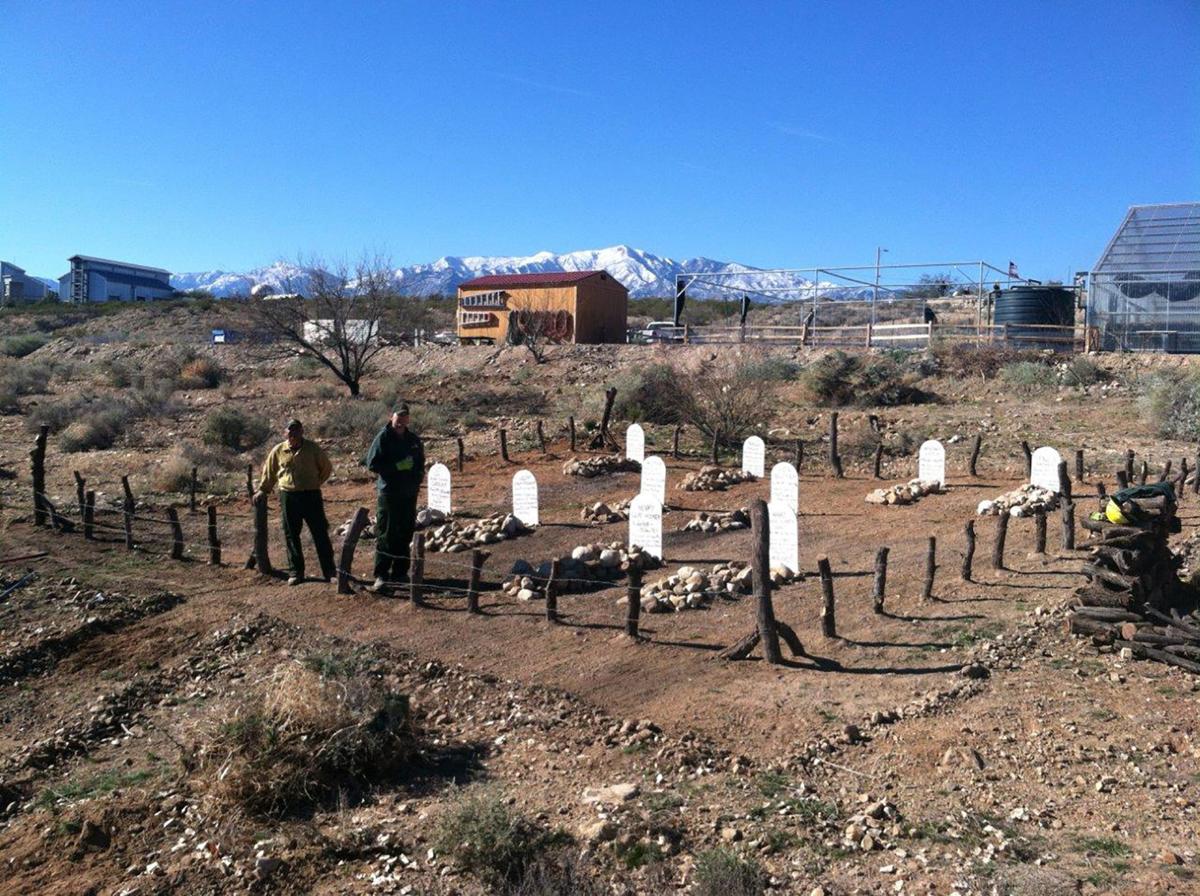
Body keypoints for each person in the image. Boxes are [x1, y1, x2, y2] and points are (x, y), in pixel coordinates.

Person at [255, 418, 336, 586]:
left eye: (296, 430)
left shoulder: (312, 448)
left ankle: (330, 572)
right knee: (291, 534)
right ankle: (296, 572)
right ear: (285, 433)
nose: (293, 434)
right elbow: (269, 472)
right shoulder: (278, 450)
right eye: (290, 431)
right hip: (288, 496)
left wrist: (315, 483)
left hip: (311, 495)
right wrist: (263, 489)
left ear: (302, 431)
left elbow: (326, 468)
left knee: (320, 533)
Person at [364, 403, 425, 593]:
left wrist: (416, 480)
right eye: (398, 418)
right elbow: (372, 464)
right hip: (389, 493)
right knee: (387, 534)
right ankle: (381, 575)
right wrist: (396, 467)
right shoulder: (383, 438)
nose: (401, 422)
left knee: (405, 532)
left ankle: (400, 572)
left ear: (408, 419)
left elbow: (420, 463)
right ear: (392, 417)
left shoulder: (413, 439)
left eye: (404, 418)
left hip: (408, 494)